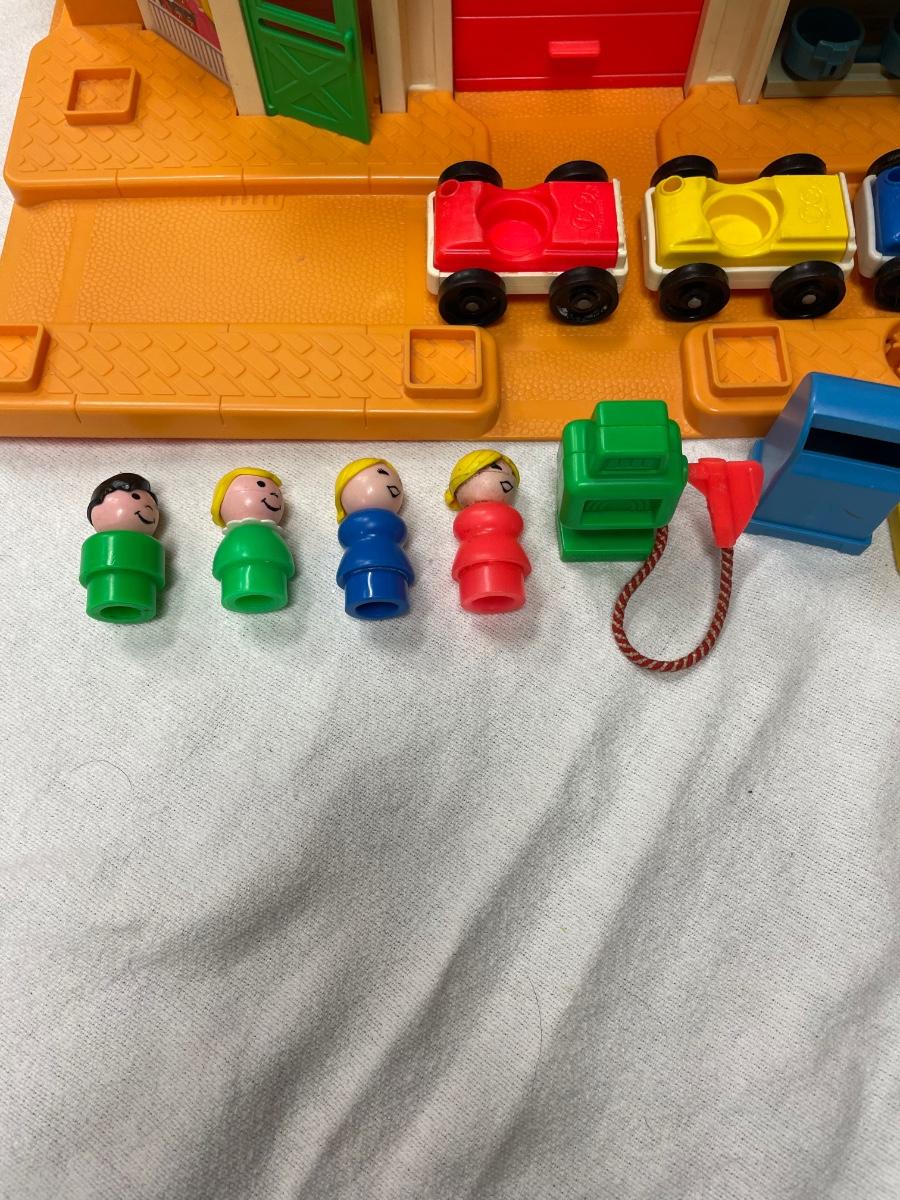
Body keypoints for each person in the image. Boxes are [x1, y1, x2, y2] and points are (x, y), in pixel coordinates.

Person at [444, 450, 530, 614]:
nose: (507, 480)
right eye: (496, 468)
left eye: (510, 475)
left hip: (506, 554)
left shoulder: (507, 516)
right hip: (475, 556)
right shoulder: (468, 519)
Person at [335, 458, 414, 620]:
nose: (390, 482)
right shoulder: (356, 531)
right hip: (367, 565)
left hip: (385, 563)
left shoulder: (391, 529)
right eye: (381, 473)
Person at [80, 473, 165, 623]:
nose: (148, 507)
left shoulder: (150, 545)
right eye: (135, 497)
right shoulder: (100, 543)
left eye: (152, 505)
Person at [210, 468, 295, 613]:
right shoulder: (236, 537)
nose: (274, 494)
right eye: (260, 485)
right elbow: (223, 560)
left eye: (277, 493)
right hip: (236, 579)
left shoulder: (271, 536)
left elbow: (284, 558)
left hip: (273, 576)